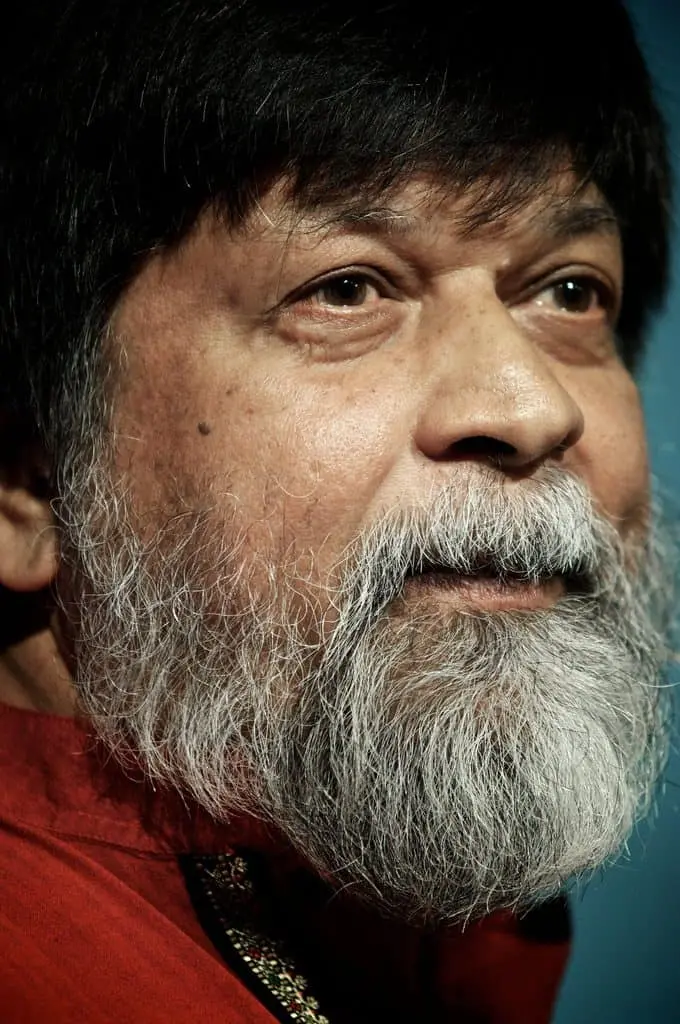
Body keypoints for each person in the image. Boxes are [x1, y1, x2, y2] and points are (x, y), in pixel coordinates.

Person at [0, 1, 675, 1021]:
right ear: (29, 485)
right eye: (348, 288)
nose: (534, 407)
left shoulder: (444, 938)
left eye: (570, 292)